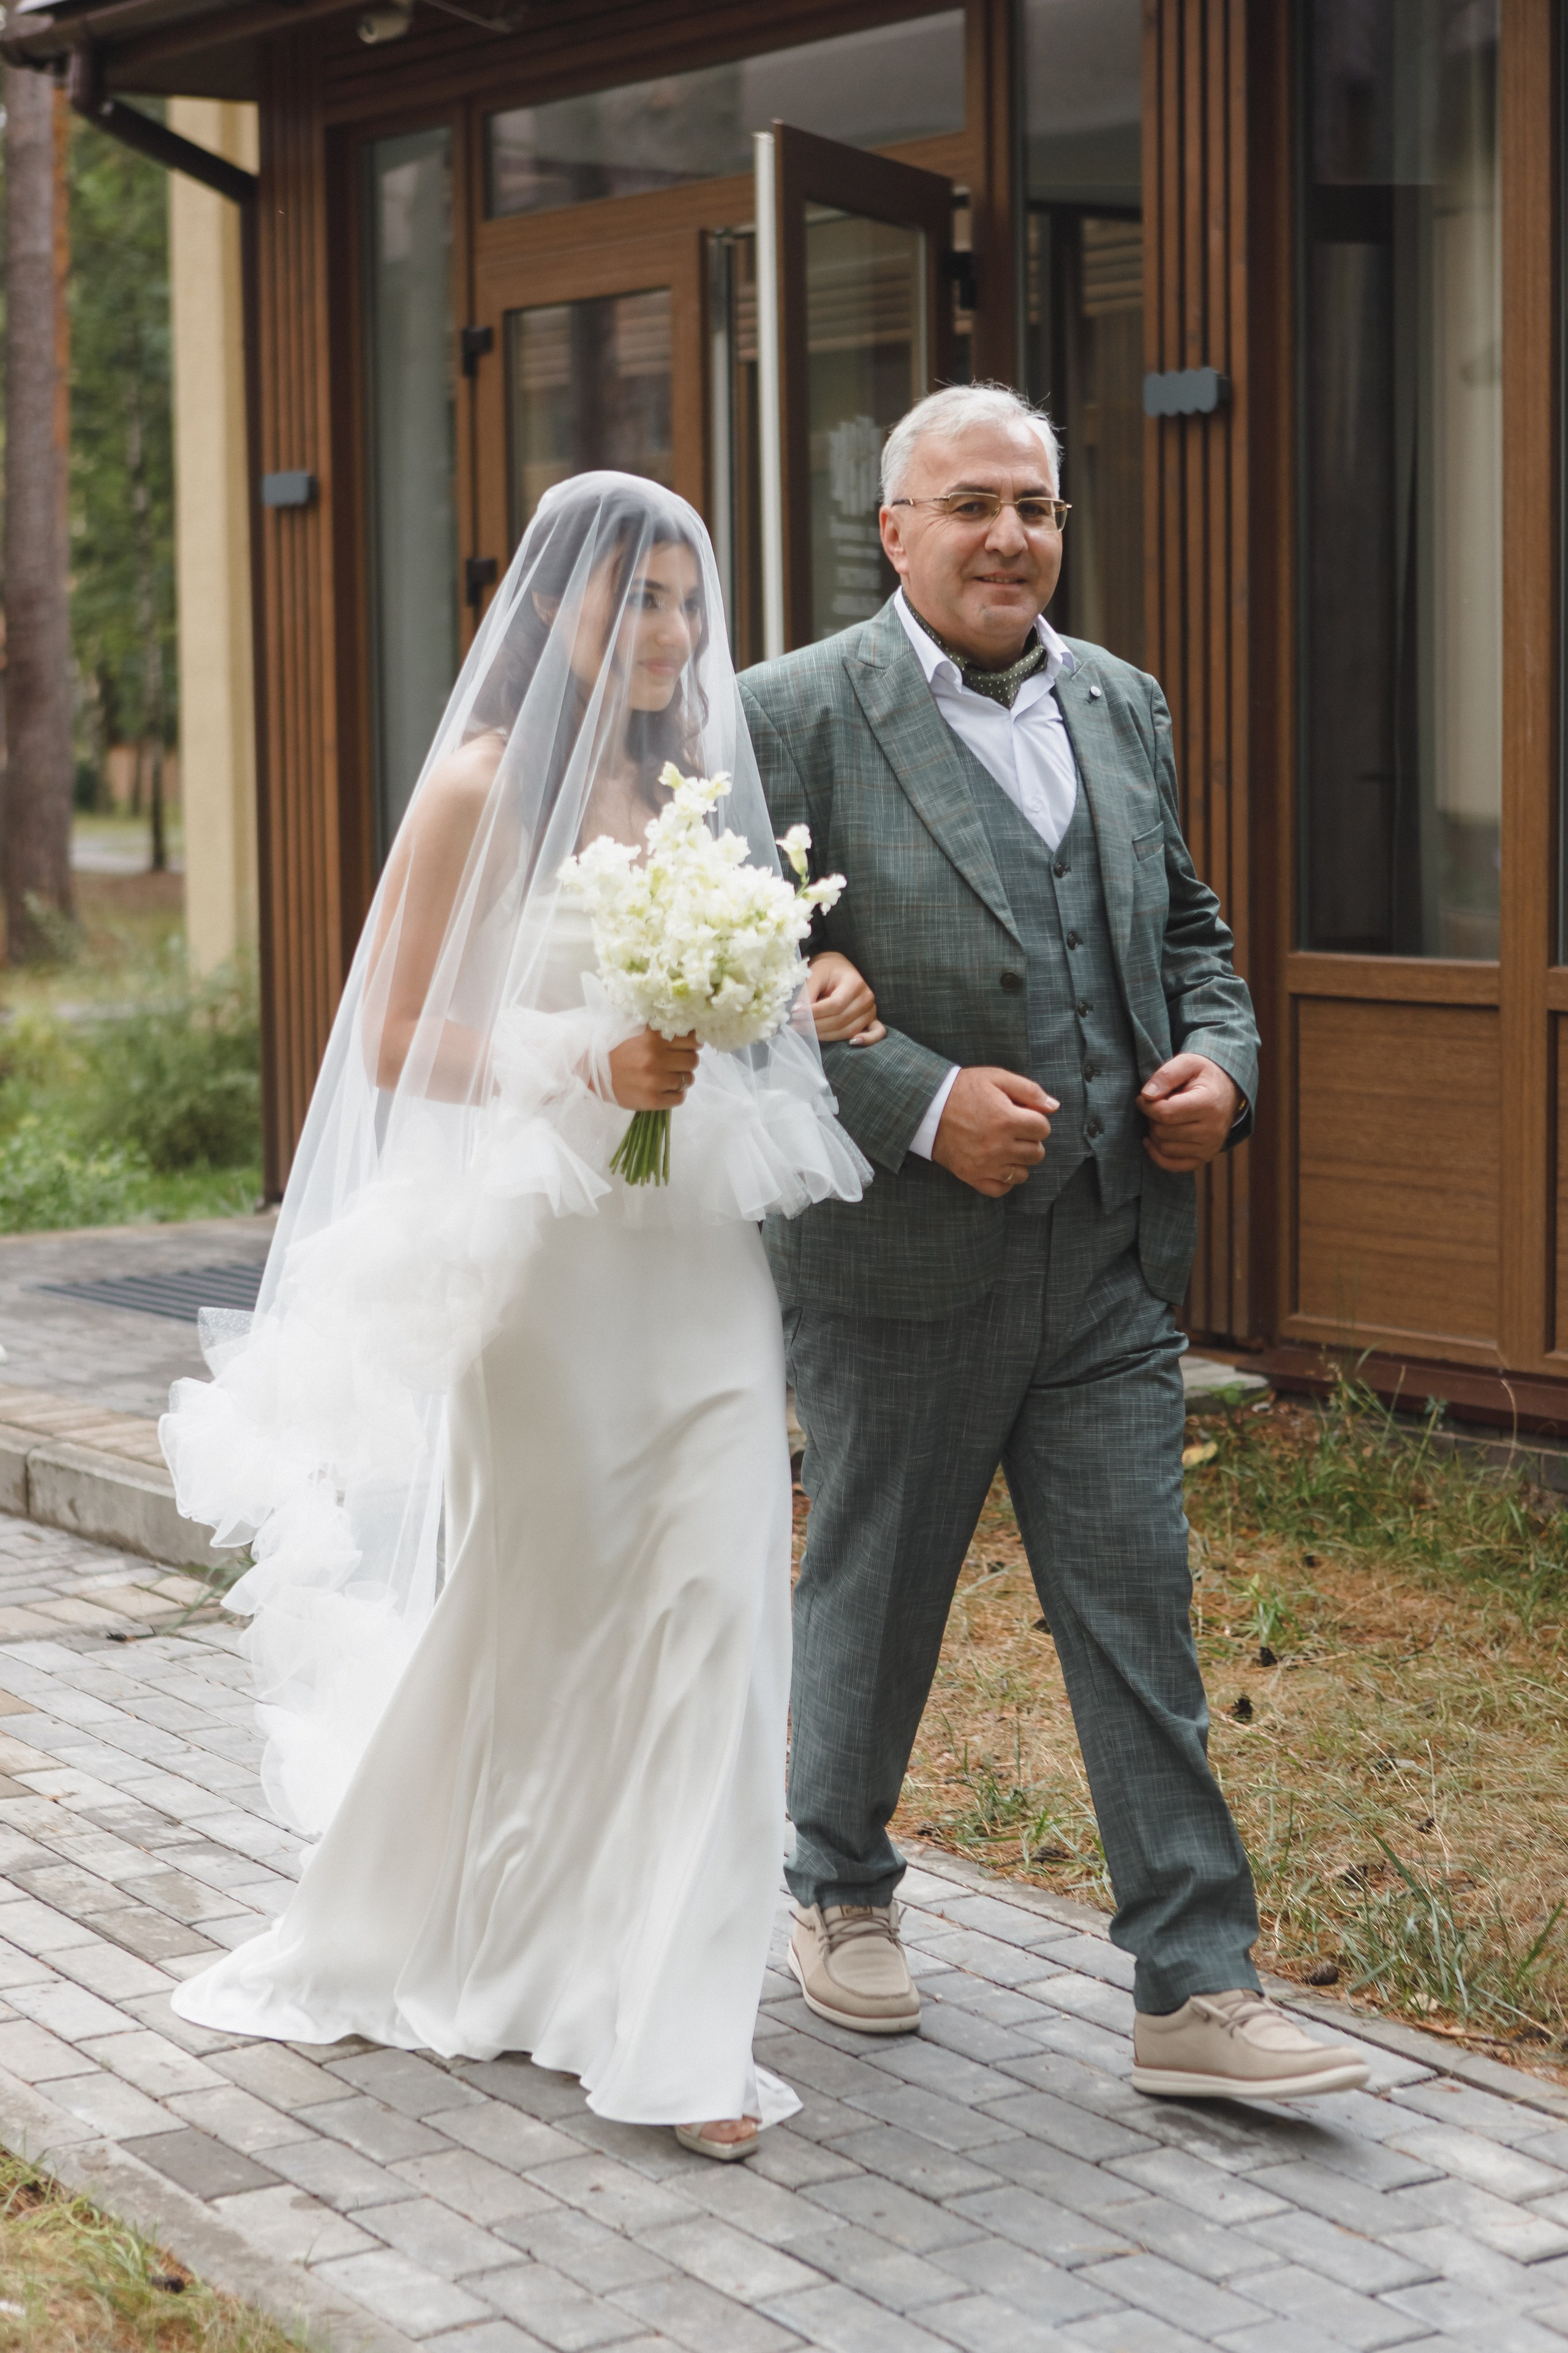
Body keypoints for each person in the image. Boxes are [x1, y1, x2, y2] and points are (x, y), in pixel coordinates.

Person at [161, 474, 875, 2158]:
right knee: (548, 1608)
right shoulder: (480, 788)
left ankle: (677, 2026)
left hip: (691, 1252)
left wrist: (806, 987)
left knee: (718, 1594)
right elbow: (402, 1040)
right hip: (546, 1272)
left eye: (688, 606)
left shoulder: (693, 790)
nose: (668, 636)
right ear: (553, 612)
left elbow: (735, 993)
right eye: (635, 602)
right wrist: (585, 1063)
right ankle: (489, 1927)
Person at [741, 384, 1369, 2102]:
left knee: (1139, 1613)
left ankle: (1193, 1985)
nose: (1011, 534)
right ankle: (839, 1883)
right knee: (874, 1592)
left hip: (1105, 1257)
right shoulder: (792, 713)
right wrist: (925, 1103)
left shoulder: (1123, 701)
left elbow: (1194, 934)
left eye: (1036, 504)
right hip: (902, 1263)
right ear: (895, 531)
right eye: (972, 506)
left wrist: (1221, 1072)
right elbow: (738, 995)